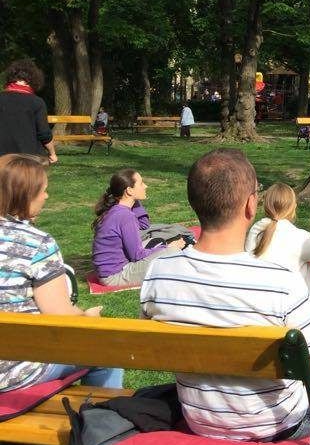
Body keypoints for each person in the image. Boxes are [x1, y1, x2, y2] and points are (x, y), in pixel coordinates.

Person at [140, 149, 310, 445]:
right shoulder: (280, 281)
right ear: (250, 205)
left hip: (200, 416)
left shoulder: (159, 273)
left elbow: (155, 346)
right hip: (276, 423)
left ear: (193, 202)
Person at [0, 154, 123, 392]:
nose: (46, 196)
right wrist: (88, 319)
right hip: (14, 369)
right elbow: (60, 315)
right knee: (108, 354)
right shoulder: (36, 244)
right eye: (43, 190)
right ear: (24, 195)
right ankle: (101, 423)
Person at [244, 183, 310, 315]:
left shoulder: (255, 230)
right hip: (296, 308)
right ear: (293, 207)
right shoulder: (300, 237)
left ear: (265, 205)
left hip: (259, 305)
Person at [92, 169, 187, 286]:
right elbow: (138, 255)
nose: (145, 186)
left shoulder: (117, 210)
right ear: (129, 190)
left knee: (154, 242)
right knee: (173, 251)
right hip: (115, 276)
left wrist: (134, 201)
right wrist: (167, 247)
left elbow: (143, 225)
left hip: (110, 271)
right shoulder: (125, 216)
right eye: (141, 183)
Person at [0, 59, 57, 164]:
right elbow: (44, 134)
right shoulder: (37, 102)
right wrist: (52, 153)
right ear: (33, 79)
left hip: (2, 160)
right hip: (29, 160)